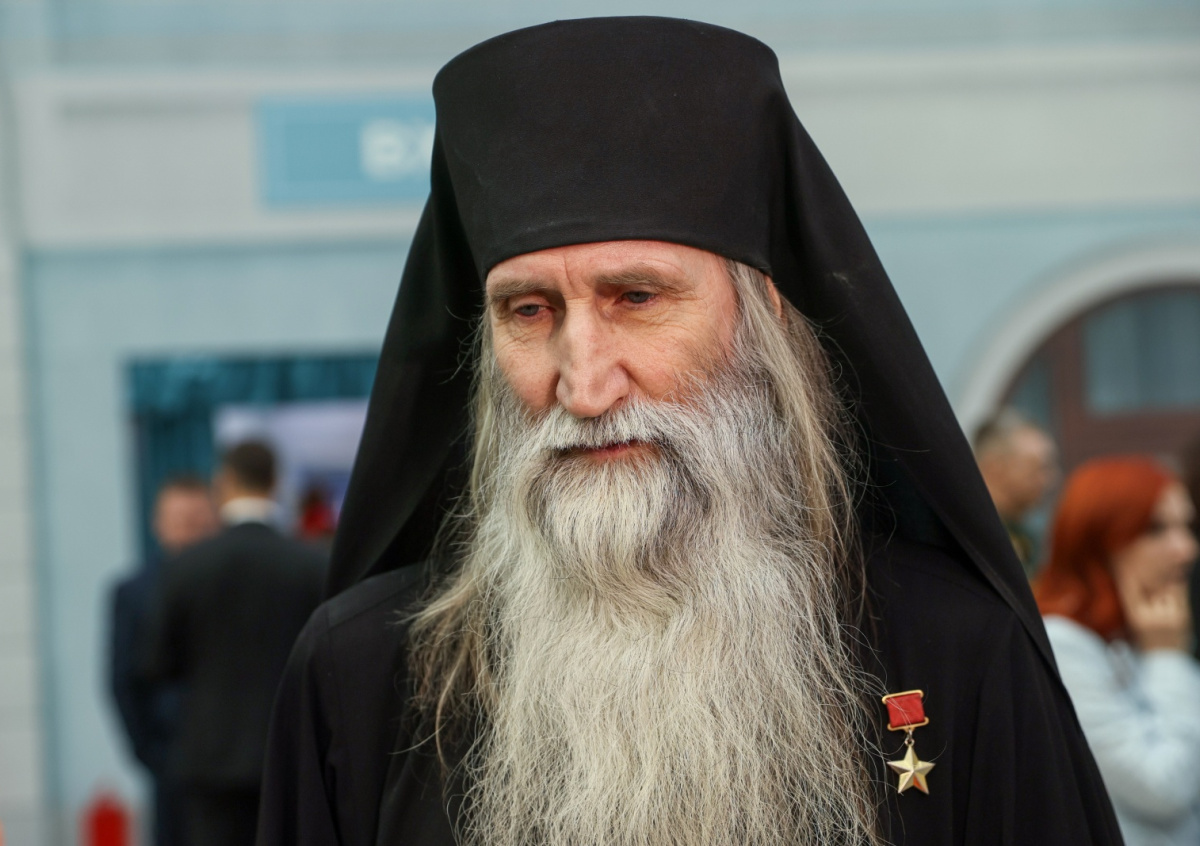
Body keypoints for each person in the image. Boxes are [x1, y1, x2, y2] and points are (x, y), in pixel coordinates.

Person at [258, 18, 1123, 846]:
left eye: (637, 298)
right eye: (529, 311)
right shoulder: (356, 675)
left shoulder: (959, 652)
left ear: (764, 318)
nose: (584, 386)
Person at [143, 441, 325, 846]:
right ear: (275, 482)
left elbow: (157, 664)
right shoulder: (313, 565)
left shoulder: (184, 568)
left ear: (223, 484)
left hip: (209, 763)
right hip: (292, 757)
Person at [1036, 456, 1200, 845]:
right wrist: (1167, 656)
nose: (1186, 549)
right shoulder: (1064, 643)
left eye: (1187, 526)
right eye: (1156, 529)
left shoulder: (1133, 630)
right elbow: (1163, 787)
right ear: (1099, 540)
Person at [109, 475, 218, 846]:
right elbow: (122, 680)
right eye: (180, 521)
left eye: (198, 521)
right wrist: (152, 755)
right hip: (171, 758)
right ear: (158, 524)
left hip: (234, 759)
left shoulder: (234, 585)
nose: (189, 532)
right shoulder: (134, 591)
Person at [973, 408, 1059, 575]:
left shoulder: (1027, 537)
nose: (1050, 480)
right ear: (994, 468)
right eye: (1038, 468)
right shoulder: (970, 539)